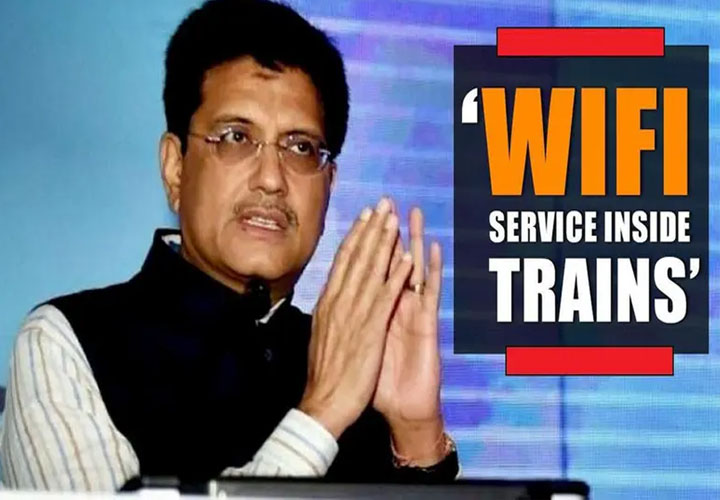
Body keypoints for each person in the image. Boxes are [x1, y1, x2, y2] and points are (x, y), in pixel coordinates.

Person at [0, 0, 458, 490]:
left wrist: (416, 435)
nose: (272, 179)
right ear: (175, 168)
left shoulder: (357, 362)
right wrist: (322, 413)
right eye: (236, 137)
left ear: (329, 185)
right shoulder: (65, 343)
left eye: (301, 147)